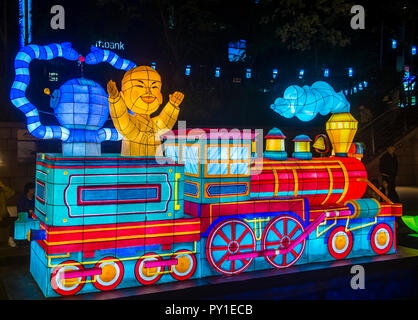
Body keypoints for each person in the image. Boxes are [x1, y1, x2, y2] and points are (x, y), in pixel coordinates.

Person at [10, 182, 36, 247]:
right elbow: (20, 211)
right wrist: (28, 212)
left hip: (33, 217)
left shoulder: (34, 199)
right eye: (33, 189)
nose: (35, 191)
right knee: (15, 222)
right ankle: (12, 239)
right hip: (23, 217)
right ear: (29, 190)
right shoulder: (22, 199)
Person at [0, 181, 16, 246]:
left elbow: (12, 192)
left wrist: (2, 186)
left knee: (13, 220)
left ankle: (10, 239)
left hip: (4, 216)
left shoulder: (1, 194)